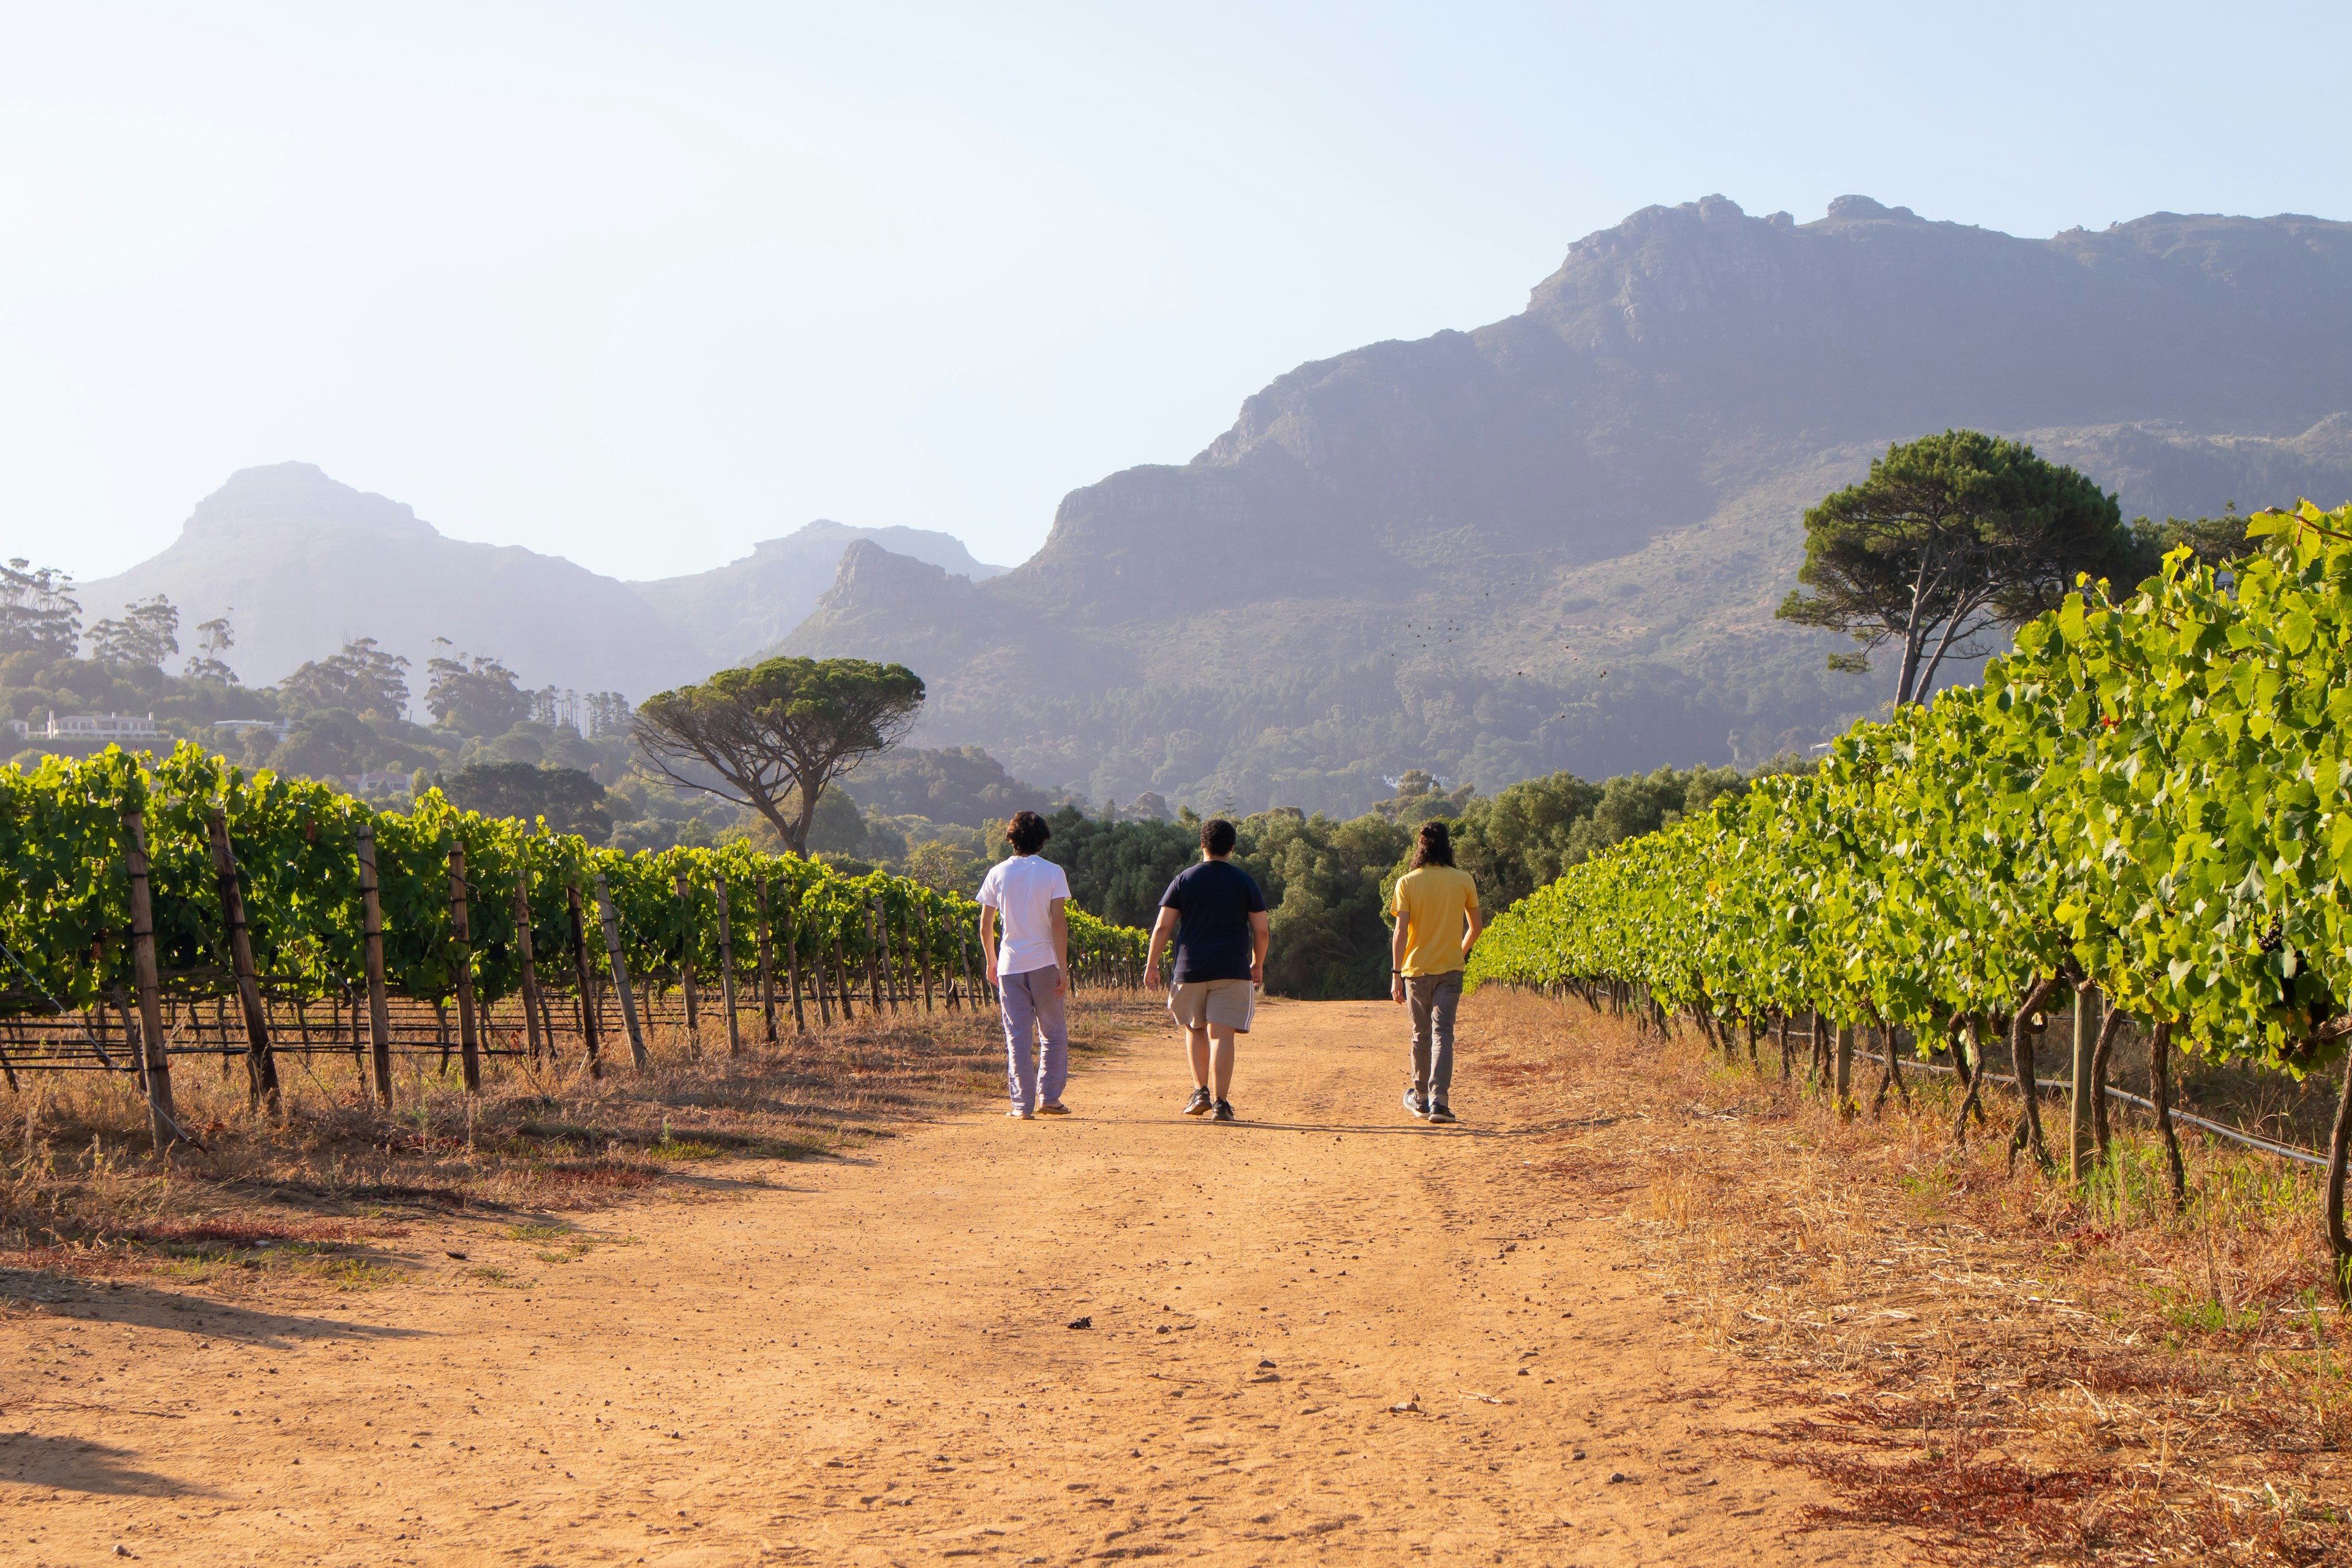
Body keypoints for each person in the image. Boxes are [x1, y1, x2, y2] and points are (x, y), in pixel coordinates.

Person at [1144, 818, 1268, 1123]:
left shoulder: (1184, 879)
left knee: (1195, 1028)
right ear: (1232, 848)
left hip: (1190, 969)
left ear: (1202, 844)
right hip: (1231, 968)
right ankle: (1222, 1104)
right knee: (1222, 1035)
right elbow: (1262, 931)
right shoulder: (1244, 881)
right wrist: (1258, 963)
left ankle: (1200, 1092)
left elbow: (1163, 926)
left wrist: (1151, 965)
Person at [977, 810, 1072, 1120]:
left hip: (1009, 963)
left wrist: (992, 960)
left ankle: (1021, 1105)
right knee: (1053, 1031)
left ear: (1012, 839)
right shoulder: (1054, 872)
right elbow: (1059, 923)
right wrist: (1063, 967)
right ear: (1042, 840)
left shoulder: (997, 873)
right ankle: (1050, 1097)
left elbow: (985, 926)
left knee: (1017, 1035)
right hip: (1045, 961)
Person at [1390, 818, 1482, 1123]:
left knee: (1421, 1034)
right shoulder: (1463, 879)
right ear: (1447, 845)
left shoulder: (1407, 882)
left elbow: (1401, 931)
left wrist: (1396, 972)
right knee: (1444, 1033)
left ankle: (1421, 1099)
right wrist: (1459, 951)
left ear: (1421, 847)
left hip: (1417, 970)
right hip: (1451, 969)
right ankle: (1440, 1103)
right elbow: (1476, 927)